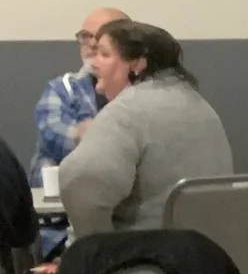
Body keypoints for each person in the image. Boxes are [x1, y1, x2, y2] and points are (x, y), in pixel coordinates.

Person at [59, 21, 232, 236]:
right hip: (211, 250)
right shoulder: (203, 108)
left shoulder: (126, 111)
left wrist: (98, 244)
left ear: (136, 65)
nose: (94, 63)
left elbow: (80, 181)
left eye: (104, 54)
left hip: (146, 250)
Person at [30, 7, 126, 186]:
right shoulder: (62, 89)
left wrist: (87, 133)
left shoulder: (142, 91)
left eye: (102, 36)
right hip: (63, 197)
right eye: (85, 36)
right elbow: (55, 139)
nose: (92, 43)